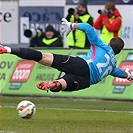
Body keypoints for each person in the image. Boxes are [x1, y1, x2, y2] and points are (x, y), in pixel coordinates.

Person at [0, 18, 133, 93]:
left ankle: (6, 49)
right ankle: (54, 84)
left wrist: (72, 25)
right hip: (85, 82)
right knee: (61, 84)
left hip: (82, 66)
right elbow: (119, 73)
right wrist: (129, 75)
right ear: (118, 52)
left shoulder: (102, 46)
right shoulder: (112, 65)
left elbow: (88, 28)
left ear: (109, 43)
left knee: (42, 57)